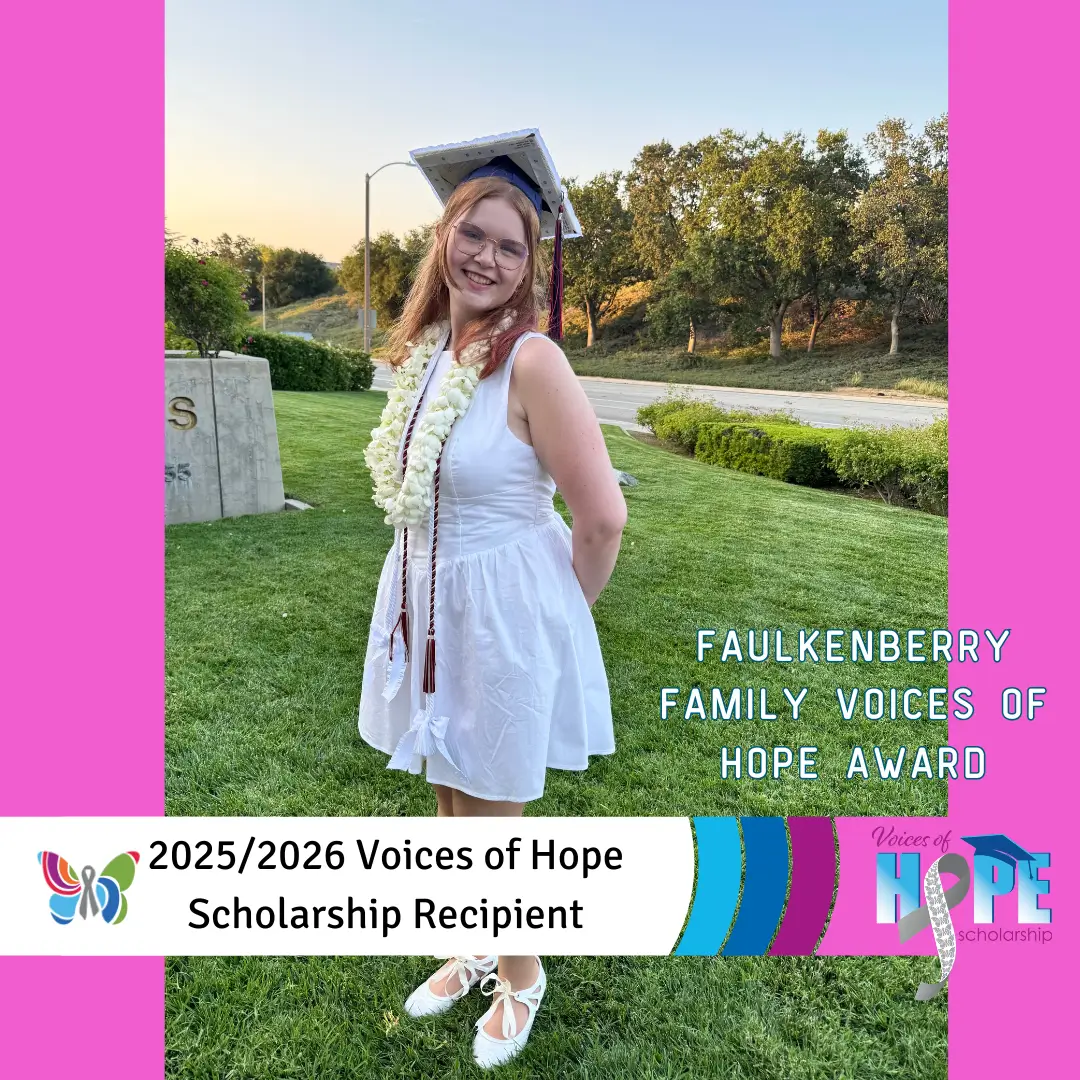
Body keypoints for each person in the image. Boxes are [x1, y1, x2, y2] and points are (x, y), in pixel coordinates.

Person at [357, 130, 627, 1068]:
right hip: (425, 598)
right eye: (473, 233)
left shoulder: (532, 362)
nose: (487, 257)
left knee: (493, 823)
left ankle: (522, 973)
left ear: (530, 265)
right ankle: (470, 946)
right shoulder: (430, 351)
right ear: (444, 236)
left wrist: (553, 627)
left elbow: (603, 520)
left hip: (502, 612)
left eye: (511, 246)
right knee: (447, 792)